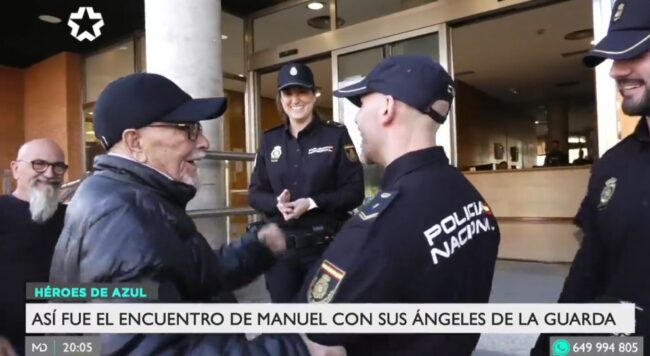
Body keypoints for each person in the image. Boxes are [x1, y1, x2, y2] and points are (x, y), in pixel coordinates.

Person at [49, 73, 338, 355]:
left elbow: (183, 278)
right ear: (136, 142)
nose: (203, 143)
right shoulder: (125, 220)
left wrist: (254, 250)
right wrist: (296, 349)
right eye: (188, 129)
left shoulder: (123, 196)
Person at [296, 55, 501, 355]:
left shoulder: (382, 223)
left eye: (362, 104)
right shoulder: (471, 199)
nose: (356, 118)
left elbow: (315, 324)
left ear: (387, 108)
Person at [532, 0, 650, 354]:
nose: (616, 71)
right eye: (615, 57)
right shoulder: (612, 165)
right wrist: (553, 347)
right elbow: (587, 272)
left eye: (635, 52)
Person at [249, 62, 364, 303]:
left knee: (323, 327)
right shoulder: (270, 140)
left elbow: (355, 192)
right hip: (281, 251)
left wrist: (311, 202)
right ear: (280, 98)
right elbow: (255, 192)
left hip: (325, 249)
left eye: (301, 91)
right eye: (288, 93)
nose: (295, 99)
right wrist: (276, 204)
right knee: (286, 325)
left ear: (313, 95)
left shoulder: (335, 135)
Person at [0, 138, 67, 356]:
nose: (49, 174)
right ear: (16, 168)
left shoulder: (76, 218)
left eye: (58, 167)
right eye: (39, 164)